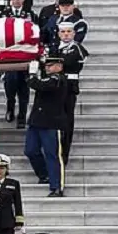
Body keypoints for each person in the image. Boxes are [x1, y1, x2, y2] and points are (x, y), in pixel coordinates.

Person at [24, 55, 69, 197]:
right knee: (30, 151)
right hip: (36, 121)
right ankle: (44, 175)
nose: (47, 68)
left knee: (53, 155)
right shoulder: (46, 78)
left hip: (51, 123)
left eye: (51, 65)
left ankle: (57, 186)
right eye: (47, 66)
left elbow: (40, 85)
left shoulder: (58, 79)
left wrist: (32, 75)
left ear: (59, 67)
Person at [0, 0, 37, 127]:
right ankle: (10, 107)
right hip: (9, 55)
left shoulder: (30, 14)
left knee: (24, 88)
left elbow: (35, 33)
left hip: (25, 55)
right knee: (10, 84)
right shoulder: (3, 14)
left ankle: (21, 116)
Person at [51, 22, 89, 164]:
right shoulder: (54, 47)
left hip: (68, 87)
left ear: (74, 33)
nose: (66, 34)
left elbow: (66, 63)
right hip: (54, 87)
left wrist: (55, 65)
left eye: (69, 31)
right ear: (59, 34)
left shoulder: (77, 48)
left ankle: (64, 152)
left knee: (67, 120)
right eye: (63, 32)